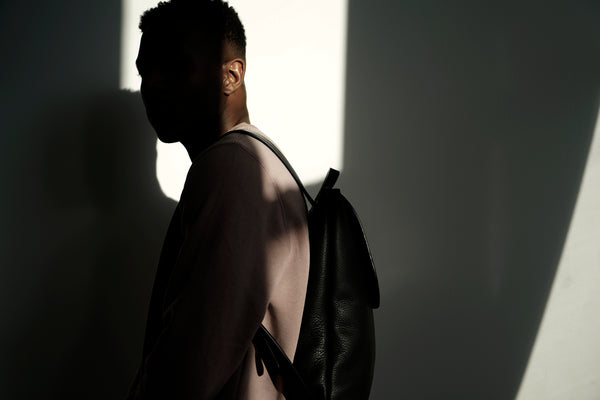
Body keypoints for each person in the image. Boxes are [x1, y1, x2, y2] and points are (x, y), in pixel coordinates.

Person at [126, 1, 310, 399]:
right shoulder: (256, 162)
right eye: (145, 71)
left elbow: (193, 360)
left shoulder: (232, 167)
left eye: (174, 66)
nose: (153, 84)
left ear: (231, 74)